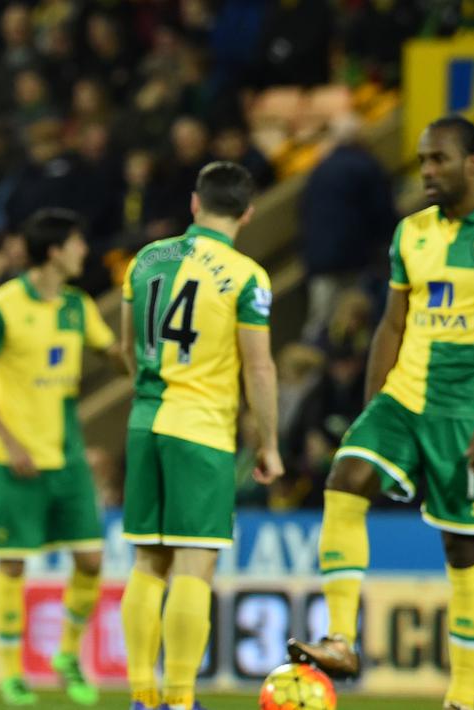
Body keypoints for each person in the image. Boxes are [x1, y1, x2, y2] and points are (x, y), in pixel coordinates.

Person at [287, 116, 474, 710]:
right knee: (345, 478)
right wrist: (370, 406)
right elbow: (391, 323)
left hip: (471, 410)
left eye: (438, 159)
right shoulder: (410, 233)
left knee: (464, 551)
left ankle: (461, 699)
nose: (426, 170)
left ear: (473, 163)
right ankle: (341, 639)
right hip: (405, 397)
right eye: (422, 160)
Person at [119, 161, 284, 710]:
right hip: (202, 430)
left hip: (145, 422)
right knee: (196, 562)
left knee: (148, 562)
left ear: (195, 203)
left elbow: (126, 347)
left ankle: (142, 694)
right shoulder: (246, 276)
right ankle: (181, 699)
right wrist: (269, 443)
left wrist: (149, 390)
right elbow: (258, 369)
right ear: (249, 212)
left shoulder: (145, 259)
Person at [0, 208, 124, 707]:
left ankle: (68, 654)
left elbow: (114, 356)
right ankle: (12, 674)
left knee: (92, 560)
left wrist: (140, 342)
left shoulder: (78, 306)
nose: (84, 252)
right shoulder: (0, 307)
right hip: (13, 458)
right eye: (77, 243)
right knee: (13, 565)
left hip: (68, 455)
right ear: (55, 251)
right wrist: (11, 444)